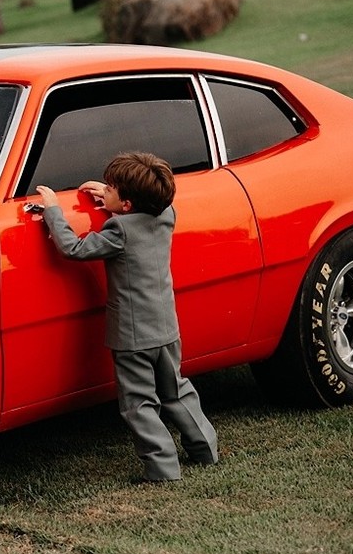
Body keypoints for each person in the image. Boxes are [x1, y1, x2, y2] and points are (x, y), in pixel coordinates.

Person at [34, 151, 218, 482]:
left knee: (139, 402)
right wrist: (111, 198)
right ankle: (204, 447)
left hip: (133, 337)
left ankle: (162, 468)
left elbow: (73, 249)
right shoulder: (166, 214)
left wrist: (53, 213)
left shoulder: (118, 229)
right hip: (166, 327)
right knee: (176, 389)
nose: (105, 192)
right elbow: (138, 217)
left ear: (128, 204)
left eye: (111, 189)